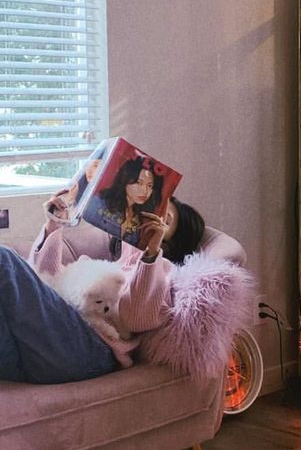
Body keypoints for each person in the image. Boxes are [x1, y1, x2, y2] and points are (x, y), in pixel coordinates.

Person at [0, 195, 172, 385]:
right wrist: (55, 222)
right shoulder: (107, 265)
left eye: (164, 216)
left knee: (4, 259)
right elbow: (45, 278)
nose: (148, 217)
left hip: (90, 350)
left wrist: (150, 253)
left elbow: (137, 318)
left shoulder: (160, 271)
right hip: (47, 349)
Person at [86, 155, 166, 248]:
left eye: (150, 186)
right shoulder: (98, 203)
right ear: (125, 180)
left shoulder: (139, 220)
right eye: (139, 183)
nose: (145, 191)